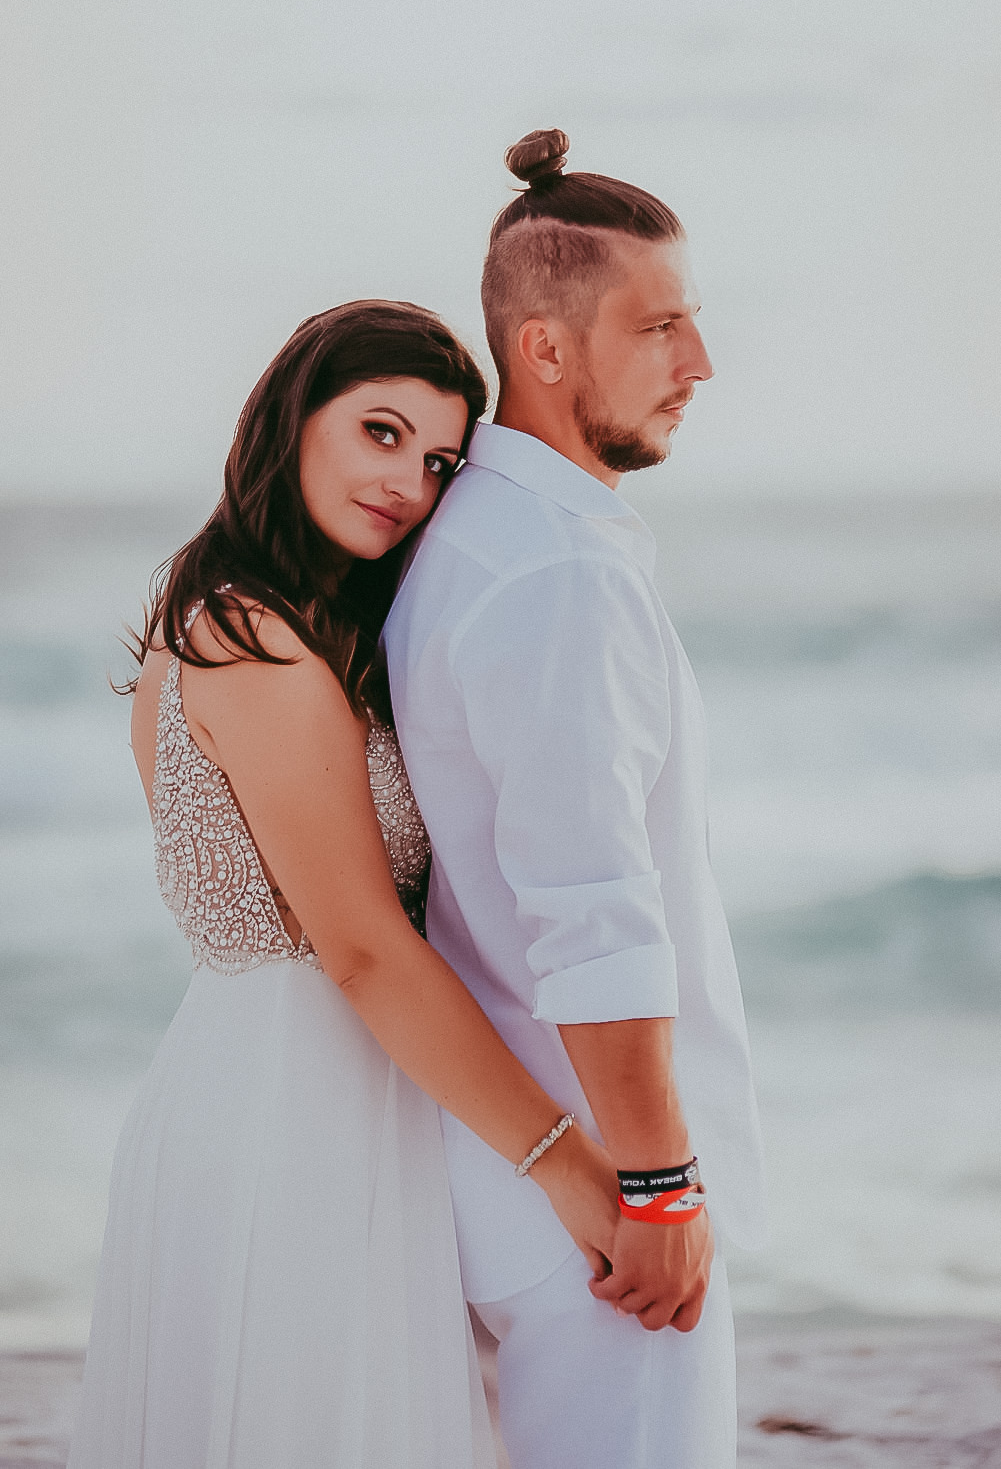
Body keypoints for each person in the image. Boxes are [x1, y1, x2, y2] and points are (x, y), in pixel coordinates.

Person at [67, 299, 621, 1469]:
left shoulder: (253, 616)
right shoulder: (249, 642)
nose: (407, 483)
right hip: (289, 1110)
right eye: (378, 432)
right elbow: (361, 947)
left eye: (434, 460)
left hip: (293, 1086)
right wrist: (565, 1164)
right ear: (291, 419)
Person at [383, 132, 768, 1469]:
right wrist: (658, 1186)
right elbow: (591, 908)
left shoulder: (483, 532)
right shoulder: (551, 572)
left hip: (519, 1175)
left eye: (694, 323)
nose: (699, 364)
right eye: (659, 327)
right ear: (544, 351)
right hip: (596, 1210)